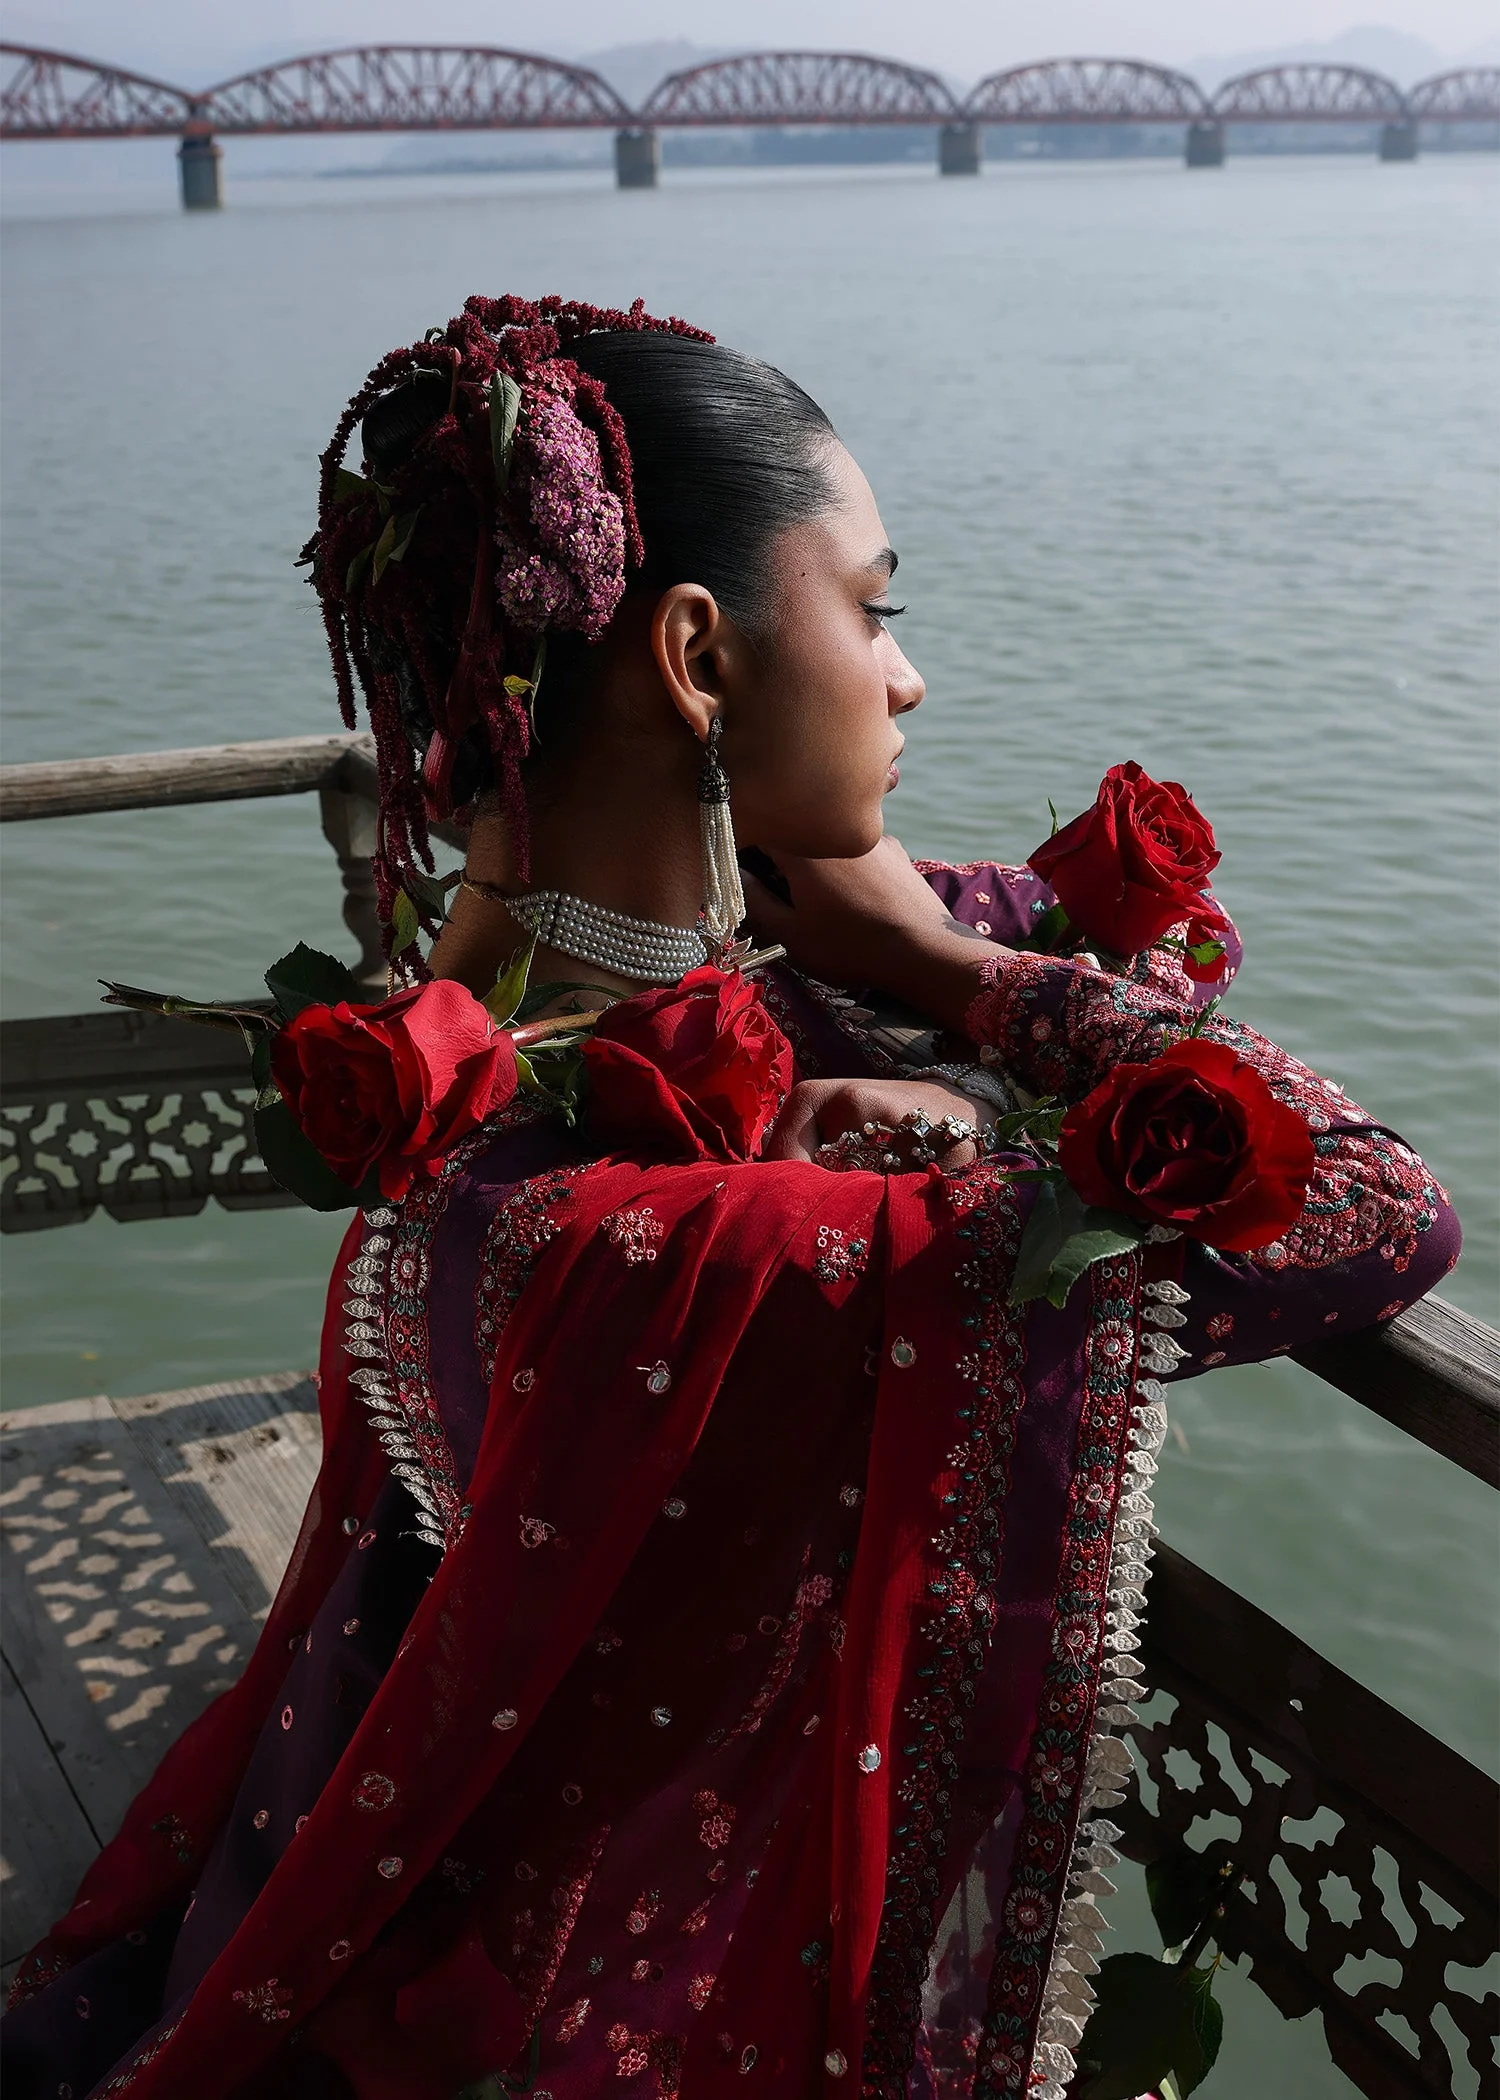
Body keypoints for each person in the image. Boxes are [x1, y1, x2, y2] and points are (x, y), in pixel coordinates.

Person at [3, 295, 1459, 2100]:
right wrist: (966, 978)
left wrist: (910, 945)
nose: (908, 680)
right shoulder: (716, 1240)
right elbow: (1369, 1206)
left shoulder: (458, 1069)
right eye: (877, 608)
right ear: (696, 654)